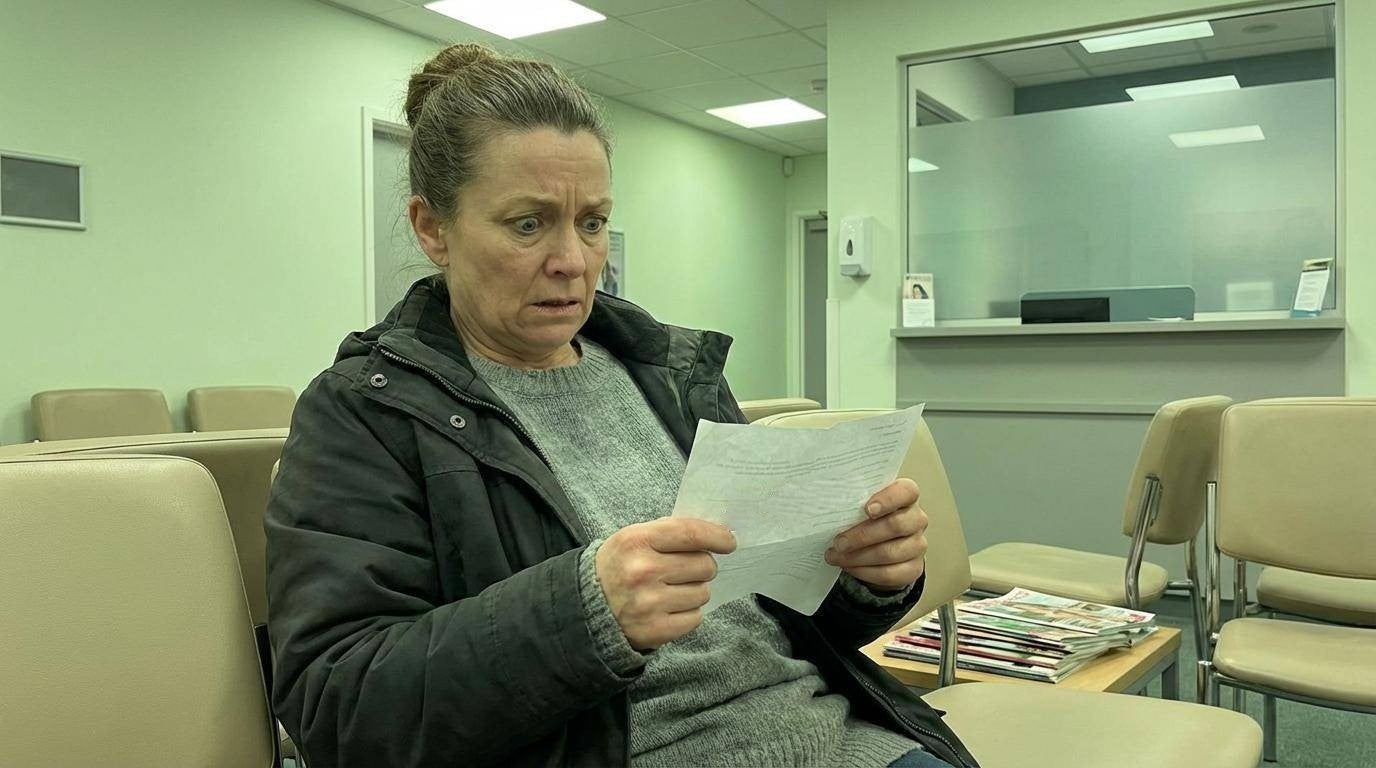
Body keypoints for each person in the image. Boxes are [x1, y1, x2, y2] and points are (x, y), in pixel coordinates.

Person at [264, 43, 975, 768]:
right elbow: (337, 709)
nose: (573, 261)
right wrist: (583, 615)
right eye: (528, 224)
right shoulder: (364, 414)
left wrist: (864, 579)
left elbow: (785, 624)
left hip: (839, 740)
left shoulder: (670, 375)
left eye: (593, 222)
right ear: (432, 228)